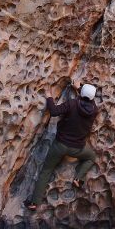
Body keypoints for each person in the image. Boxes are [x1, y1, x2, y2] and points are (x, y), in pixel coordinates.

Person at [25, 80, 99, 211]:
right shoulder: (94, 110)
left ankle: (34, 203)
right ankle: (78, 178)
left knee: (46, 171)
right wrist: (80, 89)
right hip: (77, 148)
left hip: (60, 145)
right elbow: (85, 100)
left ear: (80, 93)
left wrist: (49, 96)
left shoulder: (72, 104)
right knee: (91, 157)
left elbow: (53, 111)